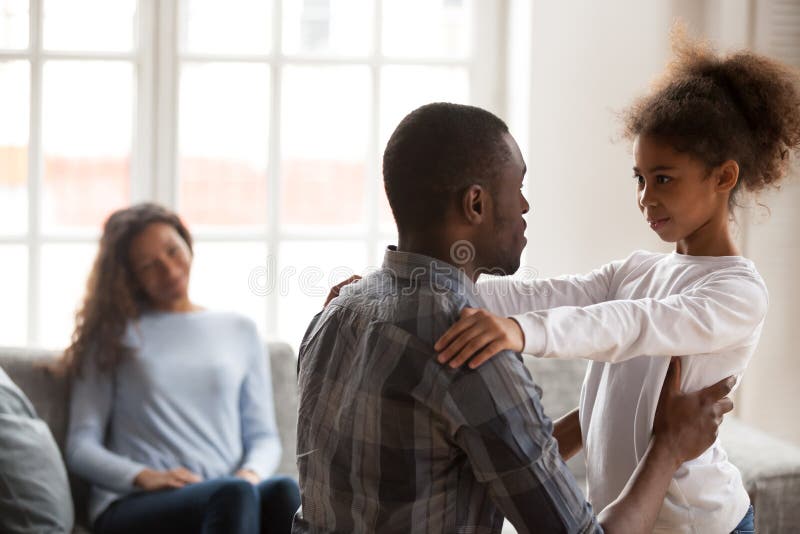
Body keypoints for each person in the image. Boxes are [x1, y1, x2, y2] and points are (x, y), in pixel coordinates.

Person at [294, 102, 735, 533]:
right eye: (518, 186)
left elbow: (495, 461)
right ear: (476, 204)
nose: (525, 206)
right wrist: (668, 447)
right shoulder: (472, 351)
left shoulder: (335, 314)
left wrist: (605, 407)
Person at [433, 35, 800, 533]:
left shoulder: (738, 293)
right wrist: (404, 283)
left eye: (664, 178)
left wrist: (522, 332)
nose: (646, 197)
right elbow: (538, 293)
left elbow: (632, 325)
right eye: (640, 178)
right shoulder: (636, 271)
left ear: (723, 177)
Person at [63, 203, 300, 534]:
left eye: (173, 251)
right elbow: (80, 446)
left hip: (226, 493)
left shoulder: (240, 330)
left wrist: (249, 475)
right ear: (129, 276)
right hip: (133, 503)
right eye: (149, 266)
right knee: (231, 495)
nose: (170, 270)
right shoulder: (113, 335)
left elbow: (263, 437)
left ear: (187, 242)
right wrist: (146, 477)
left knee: (284, 491)